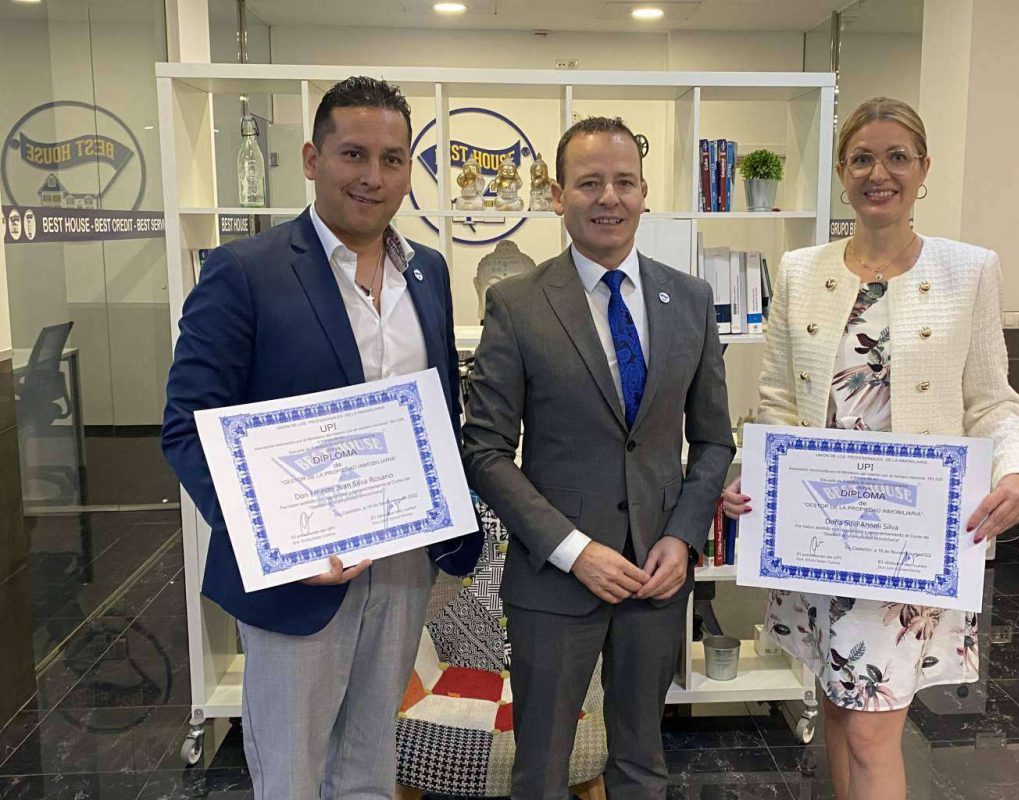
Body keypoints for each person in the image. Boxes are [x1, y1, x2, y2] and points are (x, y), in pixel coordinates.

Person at [162, 76, 479, 799]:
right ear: (312, 159)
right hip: (299, 576)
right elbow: (187, 427)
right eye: (353, 154)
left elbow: (439, 410)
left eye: (392, 159)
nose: (374, 177)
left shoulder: (427, 272)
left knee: (370, 764)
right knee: (292, 775)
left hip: (403, 562)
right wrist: (276, 541)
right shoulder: (244, 271)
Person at [722, 97, 1019, 800]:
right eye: (862, 158)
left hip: (909, 540)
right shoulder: (800, 271)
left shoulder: (969, 270)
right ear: (842, 172)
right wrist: (754, 475)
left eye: (897, 157)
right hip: (819, 534)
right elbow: (778, 401)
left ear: (923, 168)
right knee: (838, 708)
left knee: (870, 728)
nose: (879, 173)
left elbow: (992, 400)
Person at [462, 116, 735, 799]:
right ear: (558, 196)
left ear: (644, 193)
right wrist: (573, 550)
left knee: (642, 764)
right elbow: (485, 450)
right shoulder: (517, 304)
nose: (608, 197)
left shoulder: (691, 299)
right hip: (554, 583)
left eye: (623, 182)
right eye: (589, 183)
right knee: (541, 771)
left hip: (656, 576)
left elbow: (713, 440)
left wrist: (683, 537)